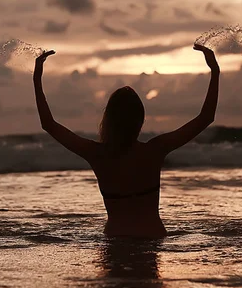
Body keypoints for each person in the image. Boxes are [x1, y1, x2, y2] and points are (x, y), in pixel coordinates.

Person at [33, 44, 220, 238]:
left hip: (116, 242)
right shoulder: (155, 150)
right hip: (152, 239)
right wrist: (215, 71)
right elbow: (205, 118)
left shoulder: (97, 154)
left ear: (109, 120)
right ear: (140, 120)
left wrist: (37, 79)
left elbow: (48, 124)